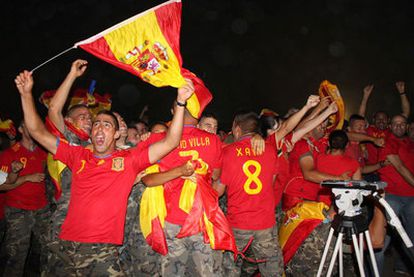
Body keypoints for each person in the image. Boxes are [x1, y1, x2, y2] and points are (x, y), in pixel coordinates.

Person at [14, 69, 194, 275]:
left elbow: (171, 141)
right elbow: (37, 131)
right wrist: (26, 94)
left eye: (107, 125)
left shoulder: (130, 160)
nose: (99, 128)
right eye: (96, 124)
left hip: (102, 251)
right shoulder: (78, 155)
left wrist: (180, 103)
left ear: (117, 134)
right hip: (63, 248)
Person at [141, 104, 224, 276]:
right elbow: (216, 175)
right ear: (198, 113)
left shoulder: (158, 140)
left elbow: (147, 179)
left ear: (174, 112)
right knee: (206, 272)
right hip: (202, 219)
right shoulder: (214, 140)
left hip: (171, 220)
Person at [216, 111, 284, 277]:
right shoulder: (270, 150)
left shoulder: (228, 152)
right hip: (265, 223)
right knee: (272, 270)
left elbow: (218, 191)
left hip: (238, 223)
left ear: (238, 129)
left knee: (229, 268)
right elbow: (272, 182)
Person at [43, 59, 93, 275]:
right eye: (82, 117)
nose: (88, 120)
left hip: (89, 217)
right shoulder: (65, 137)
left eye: (90, 117)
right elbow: (54, 108)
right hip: (66, 214)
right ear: (68, 120)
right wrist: (72, 74)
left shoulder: (94, 145)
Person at [0, 121, 49, 277]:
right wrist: (26, 177)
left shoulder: (45, 152)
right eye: (30, 125)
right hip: (18, 210)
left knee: (46, 252)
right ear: (21, 129)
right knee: (16, 256)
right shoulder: (9, 154)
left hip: (42, 209)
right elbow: (2, 186)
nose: (35, 129)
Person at [375, 115, 414, 275]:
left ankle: (403, 267)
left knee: (411, 237)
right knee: (381, 240)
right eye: (395, 123)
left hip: (411, 198)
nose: (399, 126)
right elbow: (400, 167)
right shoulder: (387, 142)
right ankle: (372, 272)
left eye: (402, 124)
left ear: (407, 127)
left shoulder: (409, 143)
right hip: (391, 198)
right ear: (390, 126)